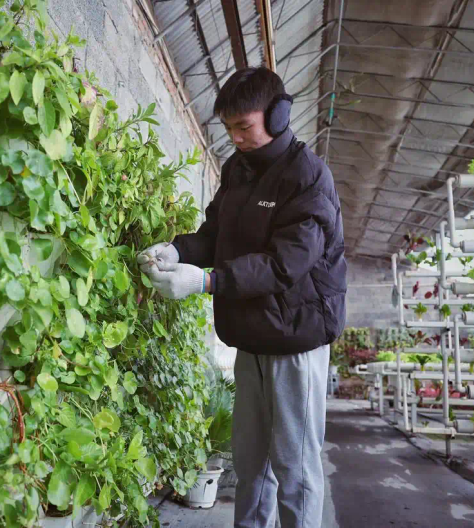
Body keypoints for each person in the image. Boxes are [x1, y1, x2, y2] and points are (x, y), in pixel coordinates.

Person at [137, 67, 346, 528]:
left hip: (296, 339)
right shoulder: (239, 168)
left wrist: (206, 282)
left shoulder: (308, 177)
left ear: (278, 114)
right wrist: (176, 250)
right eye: (228, 128)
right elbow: (215, 233)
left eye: (243, 127)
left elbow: (284, 264)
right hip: (252, 336)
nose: (235, 138)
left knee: (296, 468)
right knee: (251, 464)